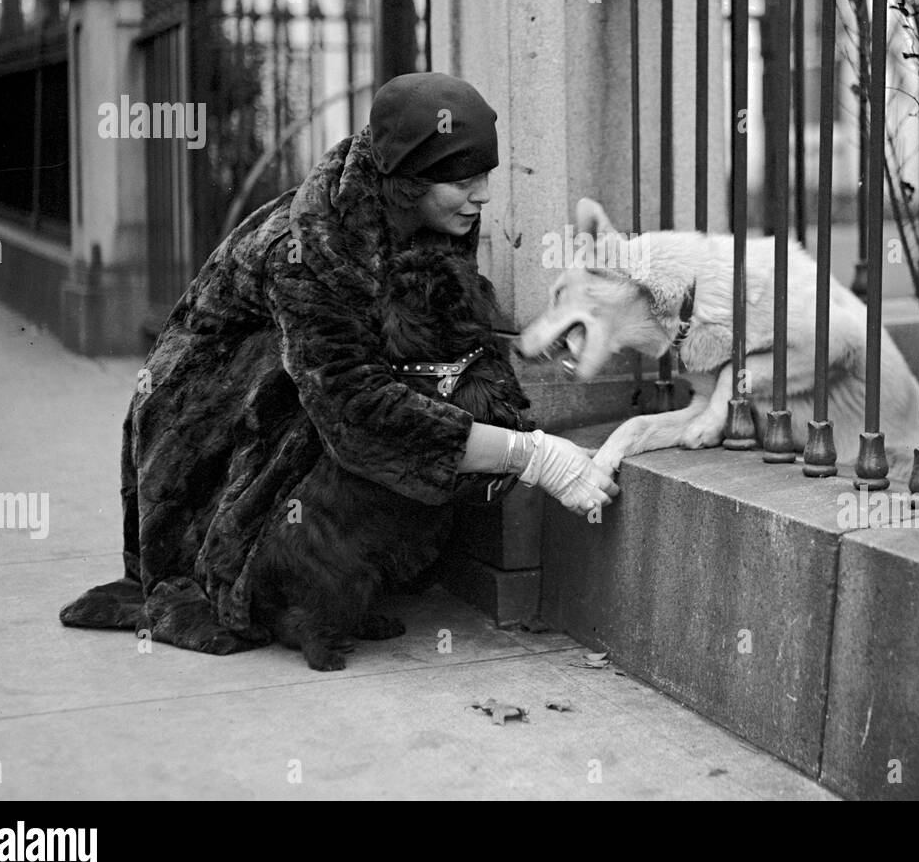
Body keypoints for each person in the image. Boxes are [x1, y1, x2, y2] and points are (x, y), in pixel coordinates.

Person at [60, 72, 617, 668]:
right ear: (409, 178)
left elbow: (439, 335)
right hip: (211, 417)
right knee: (353, 414)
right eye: (462, 179)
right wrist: (533, 455)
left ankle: (325, 575)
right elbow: (354, 410)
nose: (482, 195)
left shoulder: (428, 209)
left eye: (485, 175)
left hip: (306, 380)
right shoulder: (314, 247)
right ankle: (272, 578)